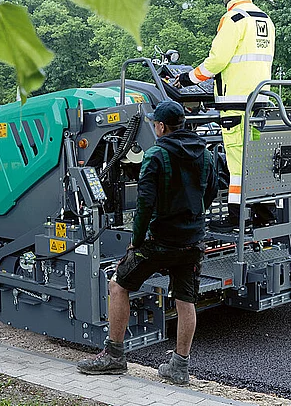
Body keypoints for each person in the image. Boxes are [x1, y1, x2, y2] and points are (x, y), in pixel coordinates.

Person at [77, 100, 218, 385]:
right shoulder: (205, 154)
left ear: (162, 126)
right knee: (185, 300)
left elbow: (144, 205)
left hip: (159, 241)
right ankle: (180, 367)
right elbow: (210, 193)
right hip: (191, 241)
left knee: (118, 284)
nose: (154, 127)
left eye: (155, 124)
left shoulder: (155, 155)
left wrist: (135, 241)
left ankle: (114, 356)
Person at [176, 0, 276, 232]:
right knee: (258, 160)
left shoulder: (233, 19)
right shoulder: (264, 19)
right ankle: (265, 215)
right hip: (259, 100)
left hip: (235, 102)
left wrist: (187, 79)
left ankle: (236, 219)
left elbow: (217, 60)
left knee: (237, 163)